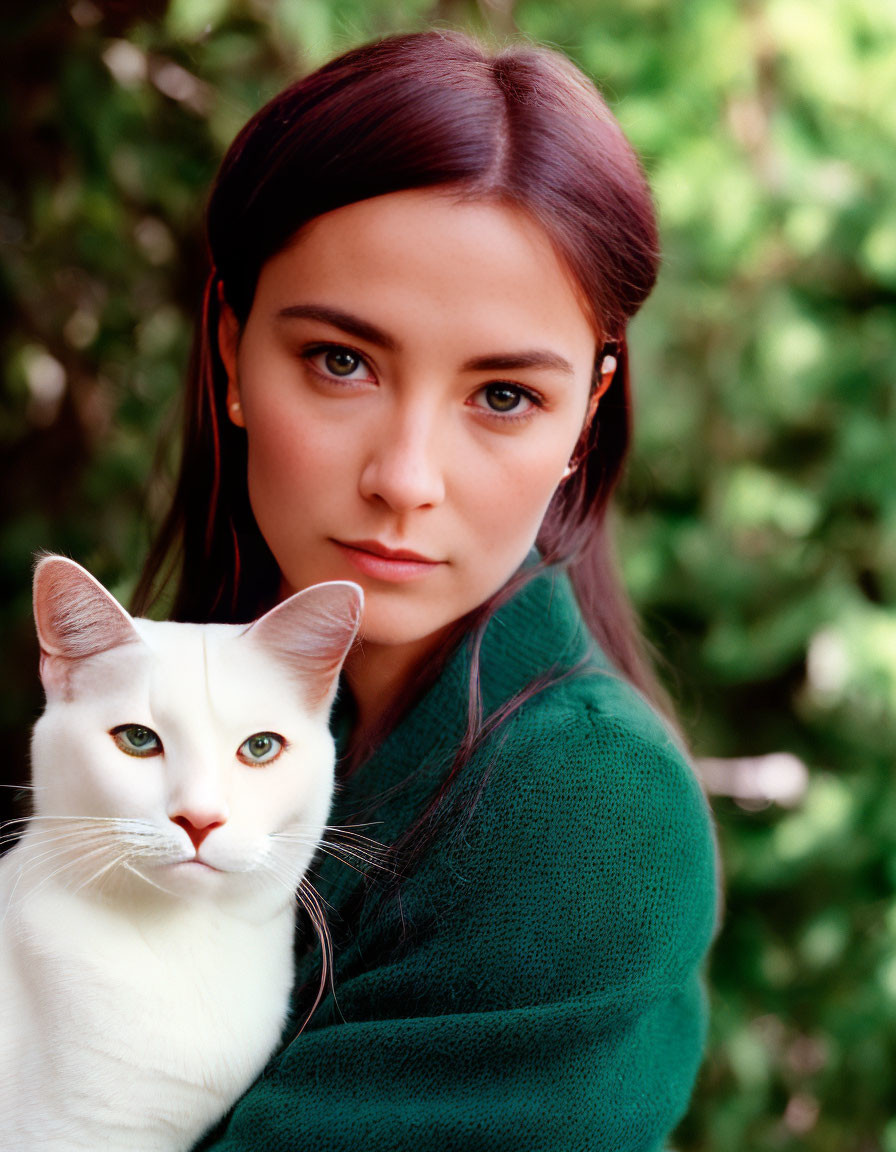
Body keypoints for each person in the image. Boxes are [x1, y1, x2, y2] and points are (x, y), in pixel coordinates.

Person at [134, 28, 719, 1151]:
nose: (404, 479)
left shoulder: (591, 814)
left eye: (502, 395)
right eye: (340, 362)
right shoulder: (174, 696)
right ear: (230, 345)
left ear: (583, 418)